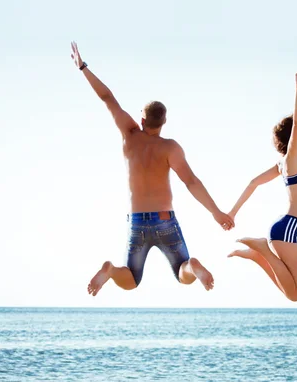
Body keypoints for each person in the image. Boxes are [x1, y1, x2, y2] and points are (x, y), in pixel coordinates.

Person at [69, 42, 235, 296]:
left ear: (143, 120)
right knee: (182, 272)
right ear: (164, 122)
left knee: (131, 278)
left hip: (137, 221)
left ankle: (111, 271)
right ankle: (193, 267)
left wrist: (83, 67)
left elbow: (107, 98)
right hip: (165, 220)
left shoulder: (130, 134)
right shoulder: (170, 148)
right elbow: (191, 182)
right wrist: (216, 212)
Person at [226, 67, 297, 302]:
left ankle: (258, 256)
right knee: (296, 295)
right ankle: (262, 249)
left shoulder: (282, 165)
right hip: (287, 229)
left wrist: (232, 213)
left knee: (292, 292)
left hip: (287, 229)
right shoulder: (291, 159)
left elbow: (253, 183)